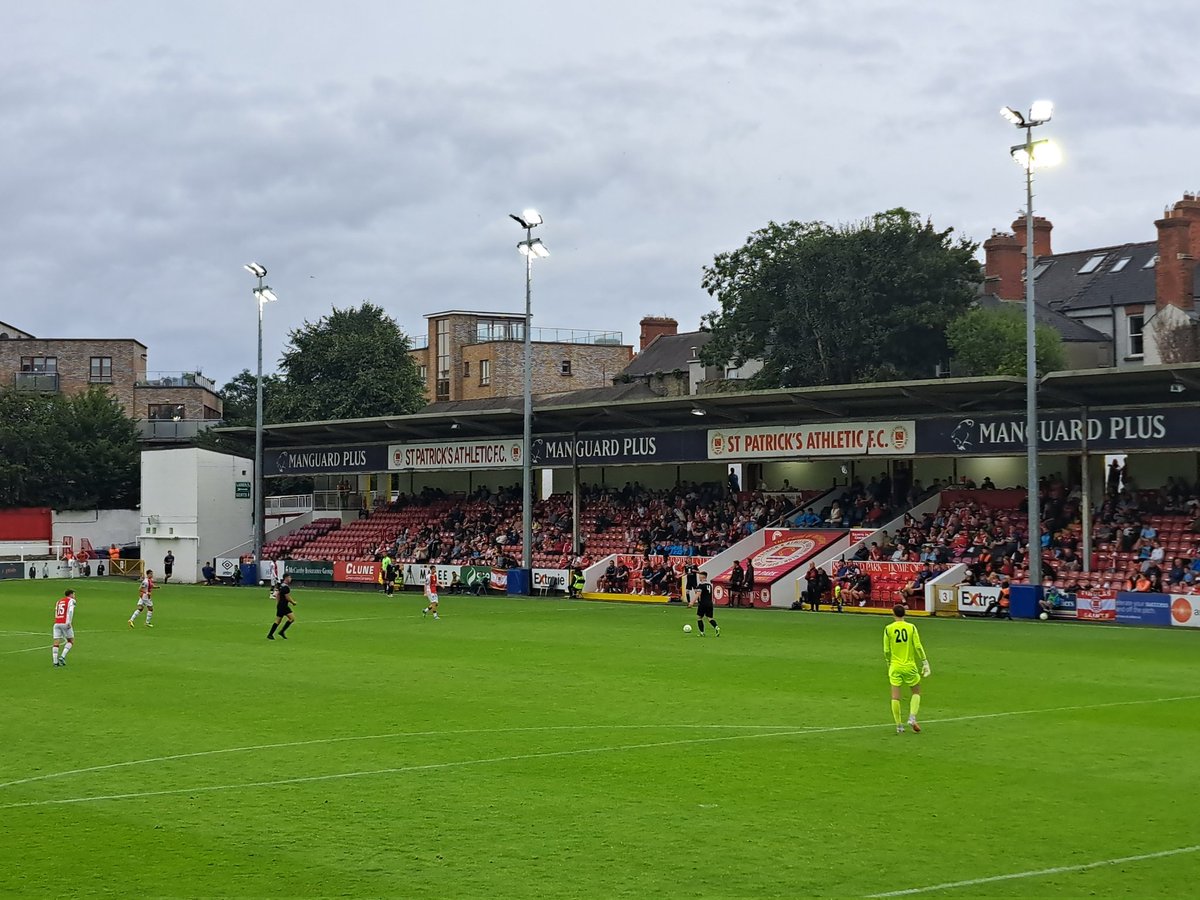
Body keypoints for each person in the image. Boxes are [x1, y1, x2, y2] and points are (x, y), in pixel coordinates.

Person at [884, 604, 930, 734]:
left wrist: (889, 663)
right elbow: (918, 646)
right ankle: (912, 717)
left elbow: (886, 650)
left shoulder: (888, 629)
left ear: (893, 614)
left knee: (895, 697)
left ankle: (899, 726)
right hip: (910, 666)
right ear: (905, 613)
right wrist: (925, 662)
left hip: (895, 666)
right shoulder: (911, 627)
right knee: (916, 692)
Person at [52, 588, 78, 667]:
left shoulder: (59, 601)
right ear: (71, 594)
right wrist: (69, 622)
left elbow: (56, 611)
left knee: (56, 642)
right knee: (71, 641)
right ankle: (62, 657)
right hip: (65, 623)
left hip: (57, 623)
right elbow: (71, 611)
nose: (74, 596)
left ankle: (55, 662)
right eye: (74, 594)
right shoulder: (71, 601)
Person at [267, 574, 296, 639]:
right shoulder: (286, 587)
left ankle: (270, 634)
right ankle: (281, 632)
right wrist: (293, 602)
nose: (290, 579)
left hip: (280, 605)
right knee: (292, 618)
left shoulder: (281, 585)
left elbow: (277, 595)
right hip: (284, 606)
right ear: (286, 578)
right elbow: (287, 597)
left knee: (278, 620)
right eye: (290, 577)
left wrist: (278, 603)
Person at [693, 571, 720, 637]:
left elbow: (698, 594)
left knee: (699, 618)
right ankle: (716, 627)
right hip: (710, 603)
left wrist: (692, 602)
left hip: (703, 603)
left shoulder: (701, 585)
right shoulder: (709, 585)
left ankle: (702, 633)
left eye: (700, 576)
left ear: (702, 577)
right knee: (710, 618)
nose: (699, 578)